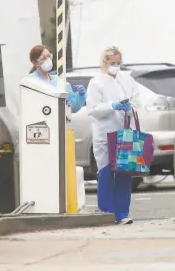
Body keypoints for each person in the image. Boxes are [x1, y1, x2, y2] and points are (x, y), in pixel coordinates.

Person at [86, 46, 141, 225]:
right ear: (104, 63)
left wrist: (129, 108)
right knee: (106, 172)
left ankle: (122, 213)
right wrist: (112, 106)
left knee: (124, 173)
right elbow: (93, 109)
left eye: (118, 63)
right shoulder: (96, 82)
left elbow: (137, 102)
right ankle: (107, 213)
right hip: (105, 133)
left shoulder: (127, 80)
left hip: (125, 132)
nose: (116, 66)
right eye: (112, 63)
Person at [29, 45, 86, 113]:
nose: (48, 60)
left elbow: (72, 107)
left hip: (59, 122)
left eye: (49, 56)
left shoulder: (59, 80)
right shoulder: (30, 81)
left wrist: (80, 95)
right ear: (34, 62)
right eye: (43, 58)